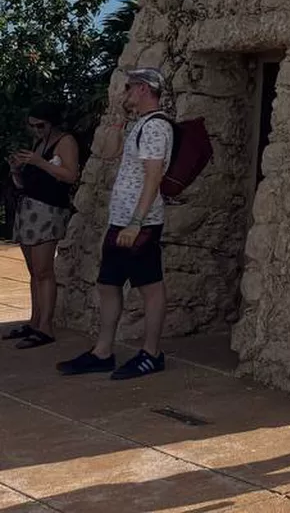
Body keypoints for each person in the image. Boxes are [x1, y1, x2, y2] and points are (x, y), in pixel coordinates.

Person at [58, 68, 172, 379]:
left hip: (140, 223)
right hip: (121, 220)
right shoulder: (139, 124)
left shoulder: (156, 128)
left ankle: (151, 353)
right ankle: (102, 351)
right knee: (108, 283)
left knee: (150, 286)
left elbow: (153, 176)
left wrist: (137, 222)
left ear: (145, 89)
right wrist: (119, 119)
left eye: (130, 87)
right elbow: (111, 153)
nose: (125, 92)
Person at [6, 102, 81, 348]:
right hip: (29, 209)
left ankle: (46, 326)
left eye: (40, 126)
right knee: (34, 272)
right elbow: (25, 183)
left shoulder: (65, 142)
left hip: (49, 211)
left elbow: (70, 175)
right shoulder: (40, 144)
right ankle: (35, 320)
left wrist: (40, 163)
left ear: (52, 123)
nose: (36, 131)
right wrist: (16, 171)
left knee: (44, 270)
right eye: (32, 126)